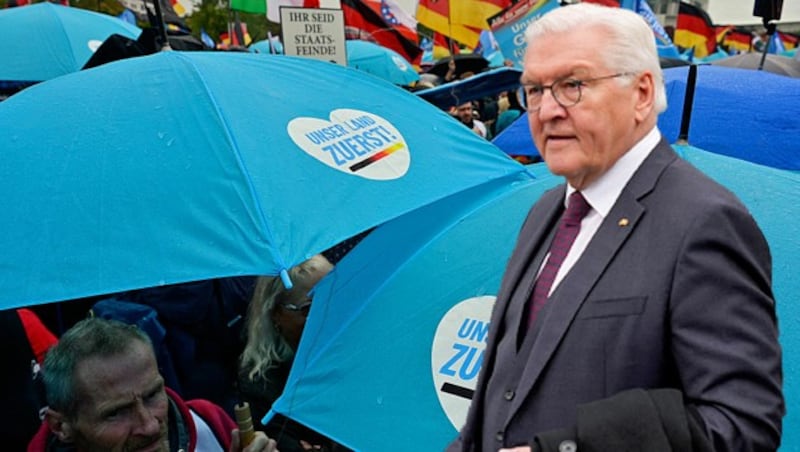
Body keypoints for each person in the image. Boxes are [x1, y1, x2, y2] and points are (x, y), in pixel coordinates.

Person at [448, 4, 783, 452]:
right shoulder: (546, 210)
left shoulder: (705, 222)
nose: (546, 111)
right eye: (533, 89)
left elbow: (741, 424)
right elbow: (507, 392)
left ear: (642, 93)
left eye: (572, 86)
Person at [28, 317, 278, 452]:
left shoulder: (207, 423)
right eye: (116, 412)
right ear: (61, 426)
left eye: (152, 395)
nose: (149, 426)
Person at [239, 255, 344, 452]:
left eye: (333, 299)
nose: (326, 314)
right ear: (276, 314)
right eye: (309, 309)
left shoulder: (355, 356)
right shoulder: (263, 385)